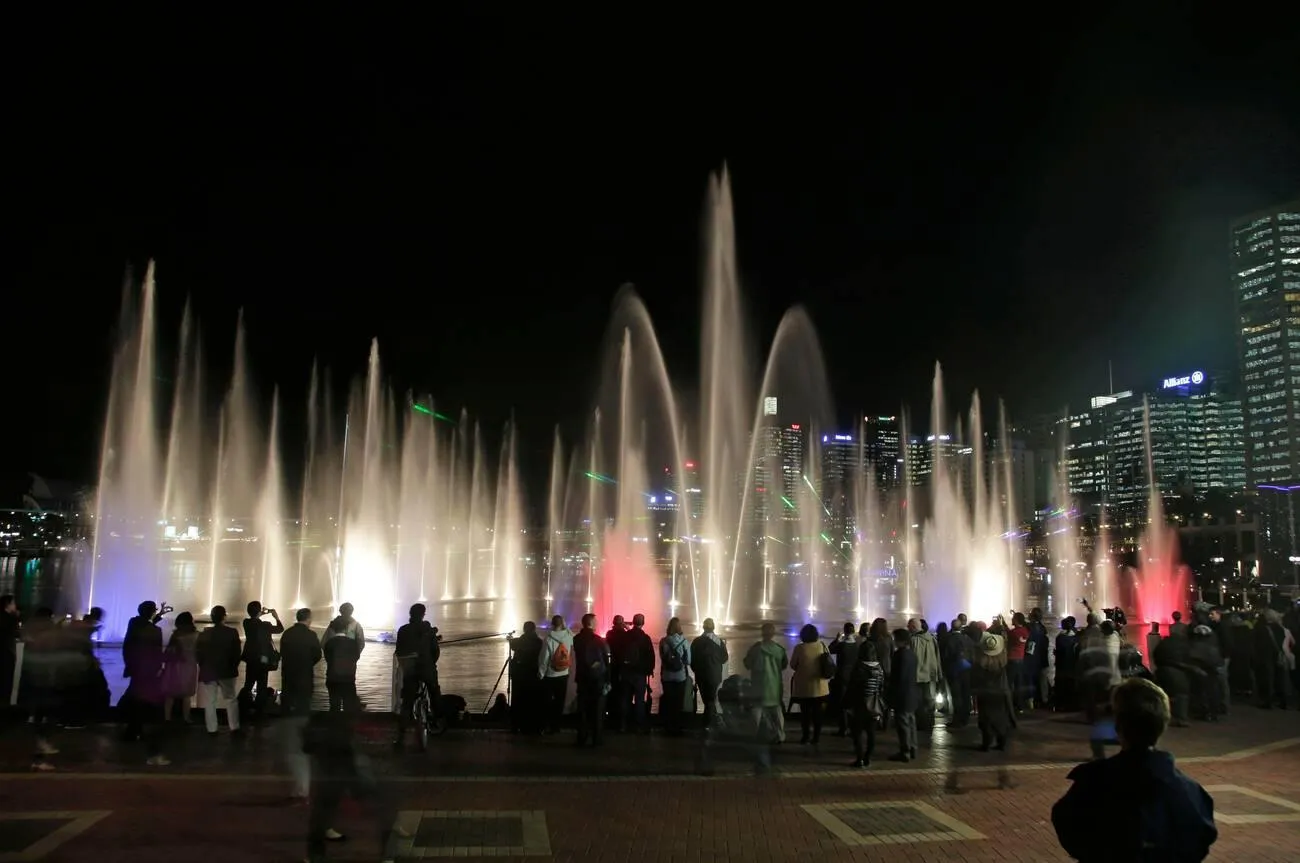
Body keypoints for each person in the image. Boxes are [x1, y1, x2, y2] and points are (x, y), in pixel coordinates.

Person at [1051, 678, 1217, 861]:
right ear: (1163, 723)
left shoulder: (1093, 783)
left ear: (1118, 726)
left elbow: (1068, 827)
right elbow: (1201, 840)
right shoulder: (1190, 792)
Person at [280, 607, 323, 802]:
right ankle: (303, 730)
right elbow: (317, 655)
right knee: (304, 707)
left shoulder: (287, 634)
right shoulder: (311, 635)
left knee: (290, 705)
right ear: (309, 619)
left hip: (289, 678)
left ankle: (291, 721)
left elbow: (282, 653)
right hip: (305, 678)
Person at [395, 604, 440, 747]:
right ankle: (437, 715)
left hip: (410, 669)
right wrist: (431, 663)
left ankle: (401, 735)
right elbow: (435, 651)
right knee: (434, 689)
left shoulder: (403, 630)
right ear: (423, 615)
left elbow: (399, 650)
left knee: (407, 701)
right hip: (426, 668)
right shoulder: (428, 630)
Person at [196, 605, 242, 736]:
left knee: (210, 701)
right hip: (227, 671)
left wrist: (203, 666)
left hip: (209, 671)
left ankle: (211, 729)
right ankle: (234, 727)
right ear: (224, 616)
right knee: (231, 699)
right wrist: (233, 666)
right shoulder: (232, 632)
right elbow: (236, 653)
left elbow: (198, 654)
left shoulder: (205, 633)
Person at [240, 601, 284, 722]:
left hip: (251, 659)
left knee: (248, 684)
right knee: (261, 686)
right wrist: (275, 616)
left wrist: (260, 613)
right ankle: (259, 713)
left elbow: (254, 619)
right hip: (263, 659)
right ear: (259, 611)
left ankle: (242, 708)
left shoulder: (246, 623)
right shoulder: (266, 625)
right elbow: (280, 629)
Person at [845, 640, 885, 768]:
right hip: (874, 704)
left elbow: (852, 687)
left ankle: (859, 758)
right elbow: (881, 686)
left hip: (860, 704)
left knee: (857, 733)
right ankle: (867, 758)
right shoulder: (879, 668)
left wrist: (847, 704)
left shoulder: (859, 667)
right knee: (871, 733)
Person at [789, 623, 830, 746]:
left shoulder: (799, 648)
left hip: (804, 687)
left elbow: (793, 665)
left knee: (805, 714)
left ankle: (805, 737)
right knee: (818, 713)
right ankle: (816, 737)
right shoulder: (822, 645)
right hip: (820, 686)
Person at [572, 613, 610, 746]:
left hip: (582, 678)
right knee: (597, 710)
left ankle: (581, 737)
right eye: (596, 621)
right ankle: (596, 738)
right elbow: (606, 660)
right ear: (591, 624)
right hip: (597, 680)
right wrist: (608, 679)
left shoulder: (577, 639)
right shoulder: (599, 640)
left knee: (582, 710)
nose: (597, 623)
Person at [690, 617, 729, 731]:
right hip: (714, 675)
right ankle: (708, 724)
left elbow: (692, 659)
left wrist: (696, 670)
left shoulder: (696, 641)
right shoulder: (718, 641)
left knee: (707, 700)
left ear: (703, 627)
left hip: (700, 675)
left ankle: (708, 723)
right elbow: (724, 658)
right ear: (713, 628)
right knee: (711, 700)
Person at [538, 615, 573, 734]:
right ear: (563, 623)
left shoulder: (548, 638)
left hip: (550, 674)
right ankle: (556, 726)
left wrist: (541, 673)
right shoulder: (568, 636)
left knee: (546, 701)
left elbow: (544, 658)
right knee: (560, 700)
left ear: (552, 624)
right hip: (564, 673)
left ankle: (544, 725)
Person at [888, 628, 919, 762]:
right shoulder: (912, 654)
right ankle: (913, 748)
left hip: (902, 694)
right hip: (912, 692)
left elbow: (897, 677)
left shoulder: (899, 655)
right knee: (911, 722)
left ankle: (905, 751)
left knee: (903, 724)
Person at [162, 611, 199, 724]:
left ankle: (167, 718)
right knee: (186, 695)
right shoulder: (197, 635)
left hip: (175, 666)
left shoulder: (176, 635)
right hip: (190, 666)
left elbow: (169, 652)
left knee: (170, 694)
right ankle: (186, 718)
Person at [659, 617, 692, 736]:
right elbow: (688, 661)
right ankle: (677, 728)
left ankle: (668, 727)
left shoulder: (663, 641)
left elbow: (662, 658)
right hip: (680, 676)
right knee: (678, 702)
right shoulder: (684, 641)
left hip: (667, 676)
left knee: (668, 701)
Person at [508, 622, 543, 733]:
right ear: (534, 629)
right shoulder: (539, 642)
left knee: (517, 699)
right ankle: (529, 725)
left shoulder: (519, 641)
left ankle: (515, 725)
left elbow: (513, 645)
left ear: (524, 629)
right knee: (530, 699)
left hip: (518, 674)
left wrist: (510, 639)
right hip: (532, 674)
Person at [324, 617, 361, 713]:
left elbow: (327, 659)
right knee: (349, 707)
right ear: (346, 628)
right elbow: (356, 657)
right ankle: (346, 726)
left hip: (333, 678)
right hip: (348, 678)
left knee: (334, 705)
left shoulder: (329, 643)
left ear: (334, 629)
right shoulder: (353, 643)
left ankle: (334, 725)